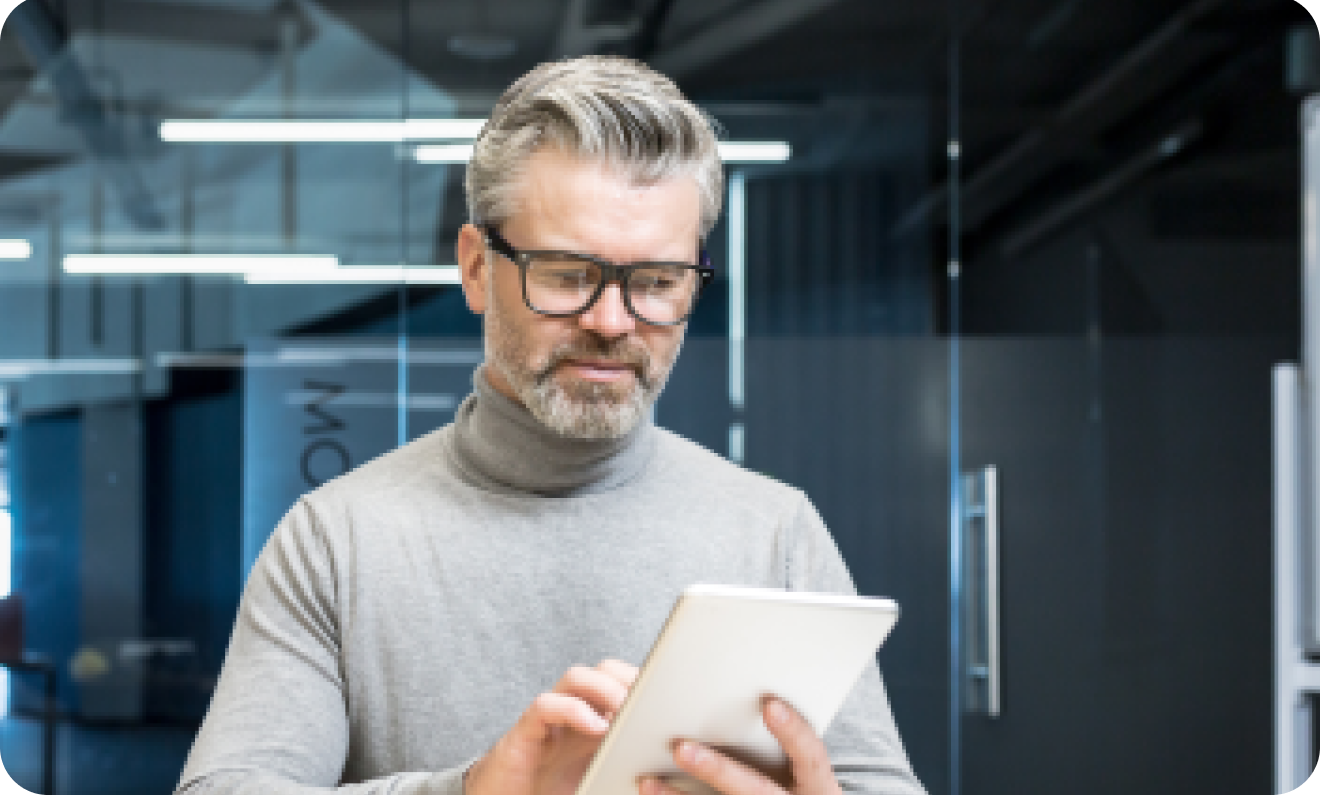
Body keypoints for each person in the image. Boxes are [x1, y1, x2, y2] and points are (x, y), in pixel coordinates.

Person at [175, 56, 926, 795]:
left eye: (657, 282)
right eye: (568, 274)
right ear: (475, 269)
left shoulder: (776, 535)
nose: (610, 320)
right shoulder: (335, 543)